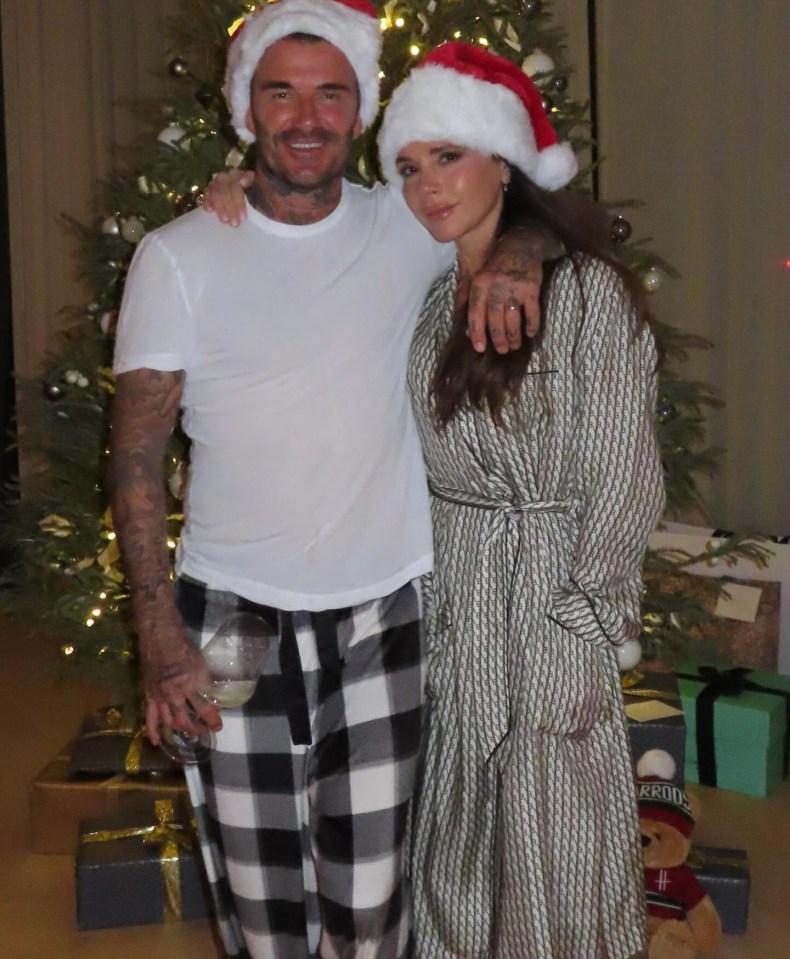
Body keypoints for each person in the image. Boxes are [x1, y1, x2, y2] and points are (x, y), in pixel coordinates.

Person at [108, 3, 555, 959]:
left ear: (361, 114)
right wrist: (158, 634)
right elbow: (137, 456)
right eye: (281, 92)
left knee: (371, 900)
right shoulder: (176, 256)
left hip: (383, 616)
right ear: (246, 111)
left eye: (330, 94)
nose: (305, 116)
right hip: (228, 617)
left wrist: (518, 257)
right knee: (260, 902)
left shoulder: (410, 221)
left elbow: (536, 210)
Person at [373, 42, 666, 959]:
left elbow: (624, 468)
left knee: (560, 841)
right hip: (459, 601)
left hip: (551, 599)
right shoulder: (427, 305)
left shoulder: (581, 296)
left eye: (448, 157)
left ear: (501, 160)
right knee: (462, 840)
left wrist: (589, 618)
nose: (427, 187)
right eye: (409, 167)